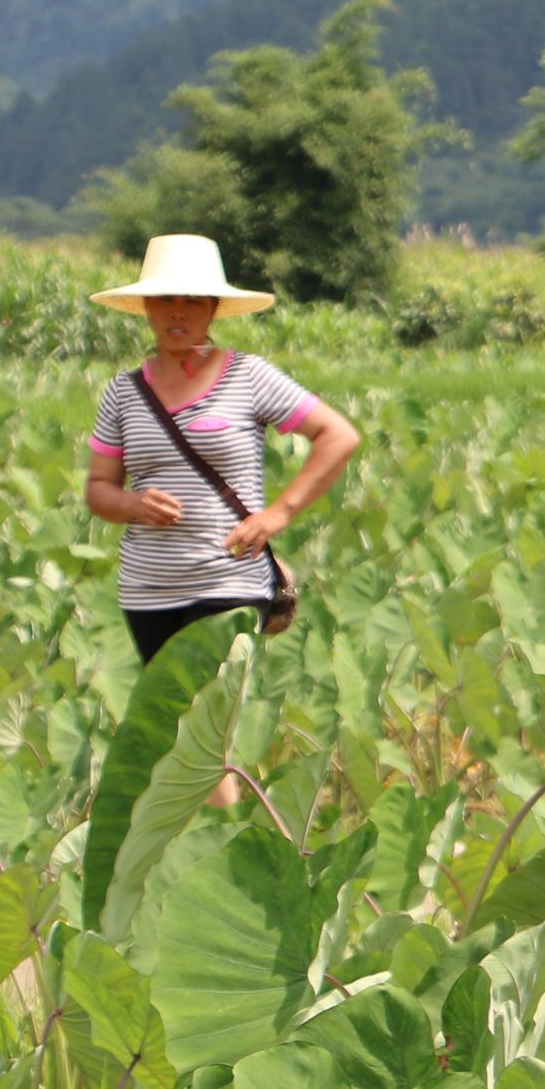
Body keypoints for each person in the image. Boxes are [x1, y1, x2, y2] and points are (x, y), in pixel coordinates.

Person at [82, 234, 359, 801]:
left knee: (209, 723)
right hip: (150, 589)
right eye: (163, 301)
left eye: (191, 299)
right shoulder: (124, 393)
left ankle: (220, 837)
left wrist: (276, 515)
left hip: (229, 579)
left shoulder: (248, 376)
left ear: (212, 310)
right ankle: (197, 845)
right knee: (174, 731)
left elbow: (337, 436)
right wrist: (133, 504)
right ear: (146, 310)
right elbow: (98, 490)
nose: (176, 311)